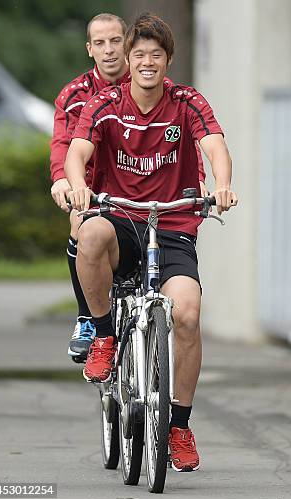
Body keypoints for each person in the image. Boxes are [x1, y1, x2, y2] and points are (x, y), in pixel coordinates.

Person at [66, 12, 237, 472]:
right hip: (121, 220)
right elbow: (76, 152)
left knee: (188, 314)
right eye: (137, 54)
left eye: (155, 55)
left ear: (167, 60)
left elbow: (215, 145)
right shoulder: (103, 103)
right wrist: (79, 185)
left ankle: (179, 426)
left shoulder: (188, 102)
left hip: (173, 226)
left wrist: (221, 184)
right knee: (91, 232)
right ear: (126, 57)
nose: (146, 62)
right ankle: (103, 335)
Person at [49, 13, 206, 362]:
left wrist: (197, 182)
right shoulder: (75, 95)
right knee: (83, 224)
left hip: (143, 185)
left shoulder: (148, 82)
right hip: (92, 184)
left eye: (116, 42)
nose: (109, 51)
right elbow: (64, 144)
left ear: (128, 45)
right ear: (89, 49)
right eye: (100, 43)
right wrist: (63, 179)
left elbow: (178, 136)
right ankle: (89, 319)